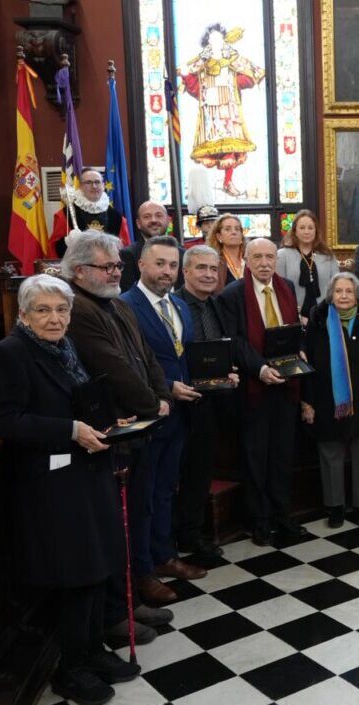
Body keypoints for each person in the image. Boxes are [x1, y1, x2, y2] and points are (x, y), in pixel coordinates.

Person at [0, 274, 138, 705]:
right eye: (43, 310)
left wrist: (108, 421)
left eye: (61, 309)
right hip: (49, 485)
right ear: (24, 315)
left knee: (97, 566)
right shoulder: (10, 353)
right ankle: (71, 669)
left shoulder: (66, 346)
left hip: (88, 472)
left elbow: (80, 398)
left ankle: (92, 651)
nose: (54, 318)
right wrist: (69, 430)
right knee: (74, 574)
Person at [60, 232, 175, 636]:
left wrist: (161, 396)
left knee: (137, 514)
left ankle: (132, 596)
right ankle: (116, 611)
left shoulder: (118, 303)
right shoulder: (78, 309)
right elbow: (112, 367)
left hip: (140, 427)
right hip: (111, 432)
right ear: (78, 271)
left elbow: (146, 357)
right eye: (106, 267)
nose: (114, 273)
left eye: (116, 266)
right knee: (114, 526)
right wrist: (152, 403)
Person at [119, 237, 209, 586]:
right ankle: (142, 569)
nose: (167, 271)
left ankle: (164, 556)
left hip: (180, 416)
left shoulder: (180, 305)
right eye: (160, 264)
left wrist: (214, 376)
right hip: (148, 415)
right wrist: (168, 386)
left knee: (166, 490)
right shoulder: (125, 306)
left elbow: (184, 355)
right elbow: (128, 364)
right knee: (144, 495)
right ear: (141, 265)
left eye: (172, 265)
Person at [215, 238, 313, 546]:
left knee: (282, 455)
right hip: (253, 388)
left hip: (286, 387)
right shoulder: (232, 295)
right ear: (247, 259)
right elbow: (235, 341)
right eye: (257, 257)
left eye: (269, 257)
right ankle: (259, 520)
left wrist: (300, 350)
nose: (264, 263)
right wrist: (259, 369)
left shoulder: (286, 286)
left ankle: (282, 514)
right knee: (256, 456)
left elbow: (293, 329)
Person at [302, 273, 359, 528]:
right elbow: (307, 362)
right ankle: (335, 507)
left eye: (349, 291)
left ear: (358, 295)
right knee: (330, 454)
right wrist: (307, 401)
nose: (344, 296)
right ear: (331, 295)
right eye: (339, 291)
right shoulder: (318, 321)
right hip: (327, 399)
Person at [173, 245, 236, 557]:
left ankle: (194, 532)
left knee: (201, 472)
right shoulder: (174, 305)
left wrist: (229, 371)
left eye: (213, 269)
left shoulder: (217, 304)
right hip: (182, 404)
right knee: (184, 474)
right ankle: (185, 535)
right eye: (201, 268)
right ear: (185, 271)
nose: (209, 274)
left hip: (215, 401)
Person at [180, 23, 267, 198]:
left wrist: (239, 77)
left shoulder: (233, 61)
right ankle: (201, 188)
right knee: (210, 151)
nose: (216, 41)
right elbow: (195, 89)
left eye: (219, 37)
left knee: (231, 149)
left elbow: (248, 79)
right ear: (208, 42)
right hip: (210, 114)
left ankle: (228, 182)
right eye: (212, 38)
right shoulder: (201, 66)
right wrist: (186, 75)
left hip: (229, 111)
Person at [277, 210, 341, 323]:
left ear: (316, 231)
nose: (306, 232)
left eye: (310, 228)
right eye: (302, 228)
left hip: (324, 317)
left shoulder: (328, 256)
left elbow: (336, 287)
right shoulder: (282, 255)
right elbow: (279, 289)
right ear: (295, 231)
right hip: (293, 317)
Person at [51, 170, 132, 258]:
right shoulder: (64, 215)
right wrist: (66, 242)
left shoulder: (117, 218)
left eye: (97, 182)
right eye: (88, 183)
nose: (94, 186)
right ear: (80, 187)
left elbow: (125, 250)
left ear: (103, 185)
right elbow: (53, 250)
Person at [121, 201, 175, 291]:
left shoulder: (182, 253)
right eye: (147, 217)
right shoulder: (128, 254)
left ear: (168, 221)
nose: (153, 220)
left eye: (159, 216)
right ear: (138, 223)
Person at [206, 213, 248, 285]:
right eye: (227, 229)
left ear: (242, 235)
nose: (234, 232)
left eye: (237, 229)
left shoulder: (250, 258)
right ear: (219, 236)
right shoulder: (213, 261)